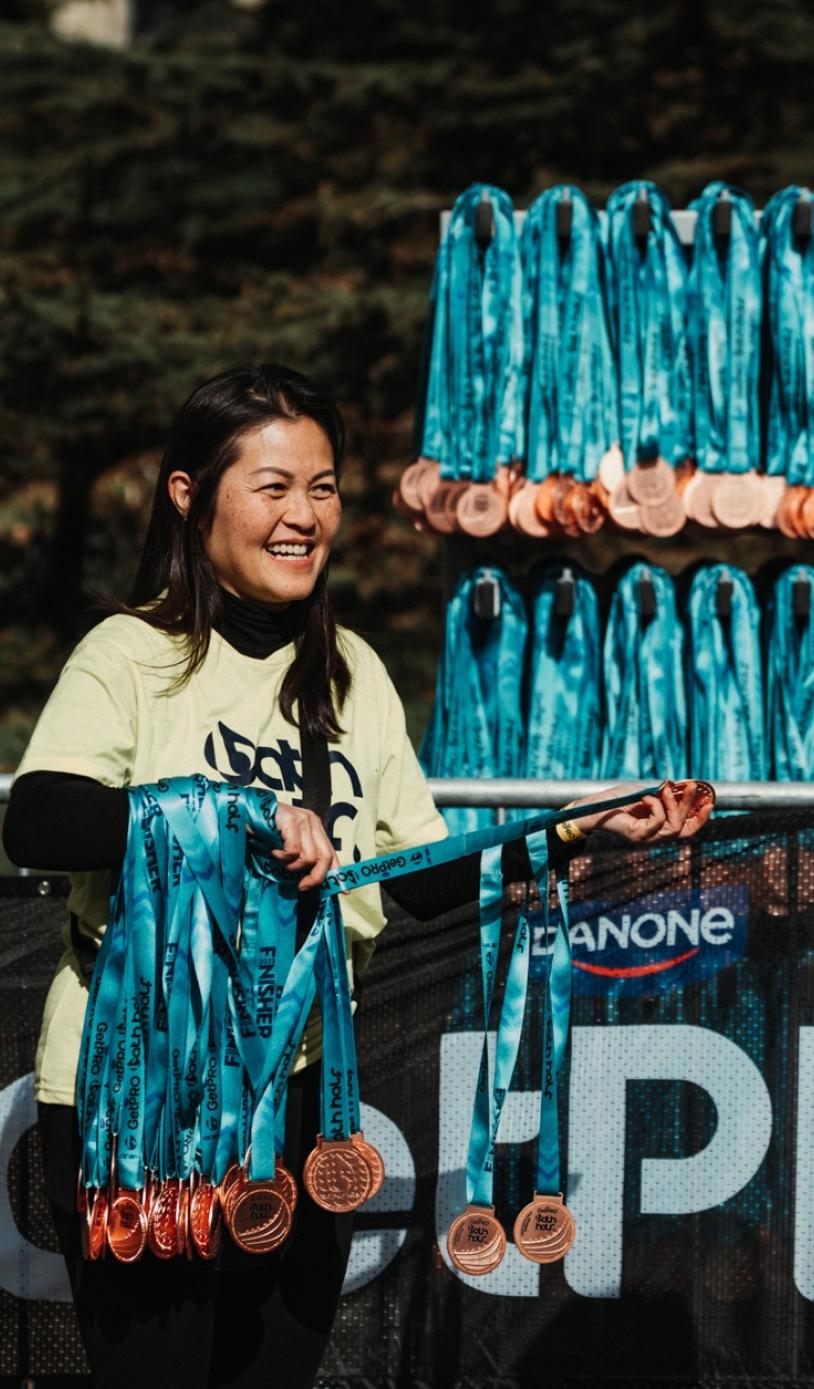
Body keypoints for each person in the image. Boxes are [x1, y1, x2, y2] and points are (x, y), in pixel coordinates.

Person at [3, 364, 712, 1389]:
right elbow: (41, 816)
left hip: (301, 1106)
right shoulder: (131, 653)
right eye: (274, 486)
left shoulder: (352, 673)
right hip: (143, 1098)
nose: (304, 516)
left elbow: (411, 880)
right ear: (189, 493)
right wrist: (238, 817)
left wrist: (580, 833)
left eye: (324, 487)